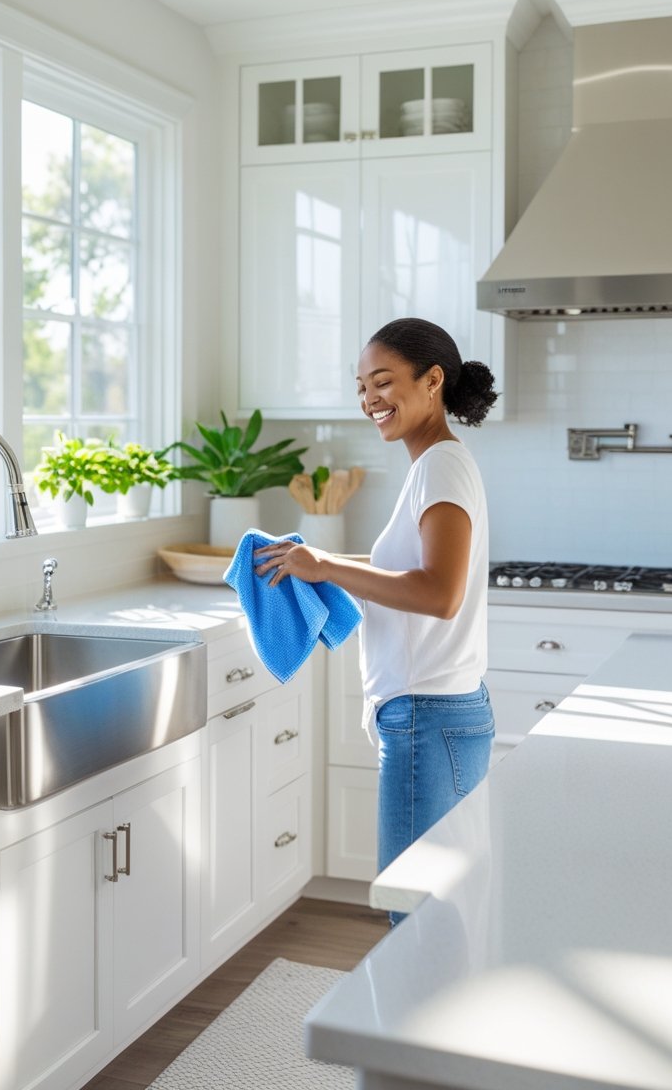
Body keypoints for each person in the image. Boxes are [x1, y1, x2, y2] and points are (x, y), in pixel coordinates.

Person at [254, 317, 498, 925]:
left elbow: (438, 593)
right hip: (439, 711)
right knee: (438, 908)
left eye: (382, 382)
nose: (369, 401)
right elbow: (409, 568)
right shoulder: (435, 464)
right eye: (361, 387)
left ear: (433, 380)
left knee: (411, 914)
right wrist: (319, 562)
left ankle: (408, 1020)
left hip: (428, 714)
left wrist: (327, 570)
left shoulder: (440, 467)